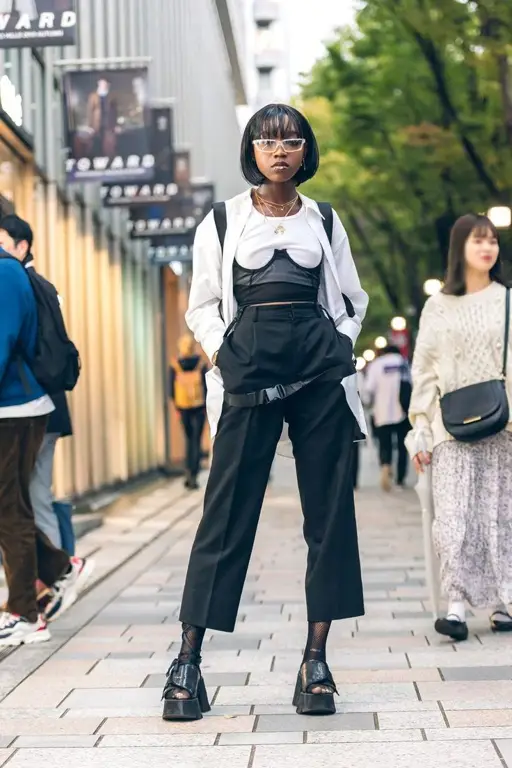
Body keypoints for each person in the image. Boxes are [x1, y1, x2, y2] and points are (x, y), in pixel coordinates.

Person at [161, 103, 368, 721]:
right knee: (224, 516)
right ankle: (188, 662)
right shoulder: (222, 221)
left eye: (292, 140)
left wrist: (339, 345)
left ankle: (316, 660)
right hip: (247, 378)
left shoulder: (324, 221)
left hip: (317, 380)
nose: (280, 149)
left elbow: (352, 300)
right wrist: (225, 354)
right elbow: (201, 305)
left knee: (329, 516)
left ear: (306, 152)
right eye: (267, 139)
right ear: (251, 149)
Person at [407, 213, 512, 642]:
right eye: (477, 241)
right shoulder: (437, 306)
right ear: (460, 249)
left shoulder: (506, 300)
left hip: (503, 426)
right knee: (452, 519)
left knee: (499, 516)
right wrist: (420, 429)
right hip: (450, 427)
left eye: (492, 241)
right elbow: (425, 370)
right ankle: (454, 607)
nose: (487, 248)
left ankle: (504, 602)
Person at [0, 216, 93, 646]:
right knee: (11, 505)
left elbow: (2, 342)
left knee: (10, 507)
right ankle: (57, 570)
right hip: (16, 408)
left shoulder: (5, 271)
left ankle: (25, 613)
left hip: (16, 408)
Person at [365, 344, 410, 491]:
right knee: (403, 446)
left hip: (382, 412)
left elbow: (369, 388)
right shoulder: (403, 363)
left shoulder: (377, 364)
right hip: (403, 411)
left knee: (385, 444)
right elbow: (413, 384)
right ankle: (400, 480)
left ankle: (386, 464)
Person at [170, 334, 208, 490]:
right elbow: (207, 387)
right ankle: (194, 475)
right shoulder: (201, 364)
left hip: (183, 407)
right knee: (196, 441)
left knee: (188, 439)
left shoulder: (175, 364)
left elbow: (170, 388)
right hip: (199, 407)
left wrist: (176, 408)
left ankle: (187, 473)